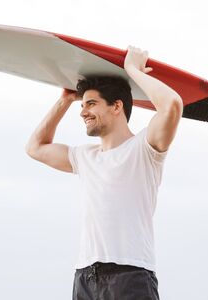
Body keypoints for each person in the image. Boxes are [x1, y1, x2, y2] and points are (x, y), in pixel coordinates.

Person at [25, 46, 183, 300]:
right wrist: (65, 100)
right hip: (85, 277)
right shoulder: (85, 156)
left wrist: (132, 70)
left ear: (116, 106)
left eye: (91, 103)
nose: (83, 111)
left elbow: (172, 105)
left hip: (130, 275)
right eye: (82, 104)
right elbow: (35, 147)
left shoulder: (145, 148)